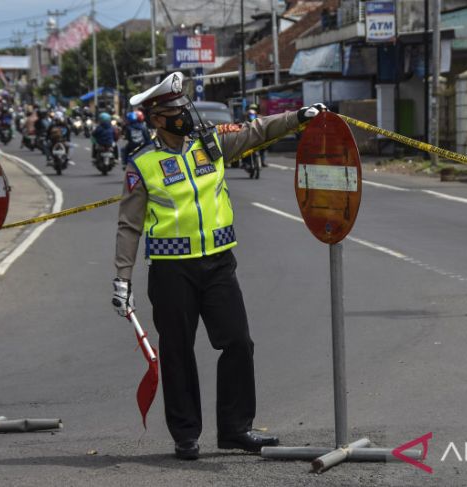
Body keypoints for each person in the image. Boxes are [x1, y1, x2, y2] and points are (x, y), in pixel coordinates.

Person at [111, 71, 327, 460]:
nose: (185, 115)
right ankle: (185, 434)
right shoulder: (142, 165)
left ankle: (235, 429)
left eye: (184, 107)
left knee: (239, 343)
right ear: (158, 119)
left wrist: (299, 116)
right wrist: (121, 280)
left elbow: (257, 131)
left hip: (218, 266)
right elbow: (128, 226)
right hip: (171, 271)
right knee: (177, 351)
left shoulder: (210, 145)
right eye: (176, 110)